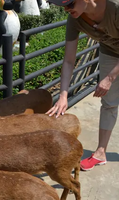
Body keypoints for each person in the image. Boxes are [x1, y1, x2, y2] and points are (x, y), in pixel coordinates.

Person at [46, 0, 119, 171]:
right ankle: (100, 153)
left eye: (70, 4)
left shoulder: (114, 7)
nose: (66, 9)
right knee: (109, 103)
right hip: (110, 51)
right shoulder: (75, 19)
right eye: (62, 6)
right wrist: (63, 95)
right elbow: (69, 60)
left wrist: (109, 78)